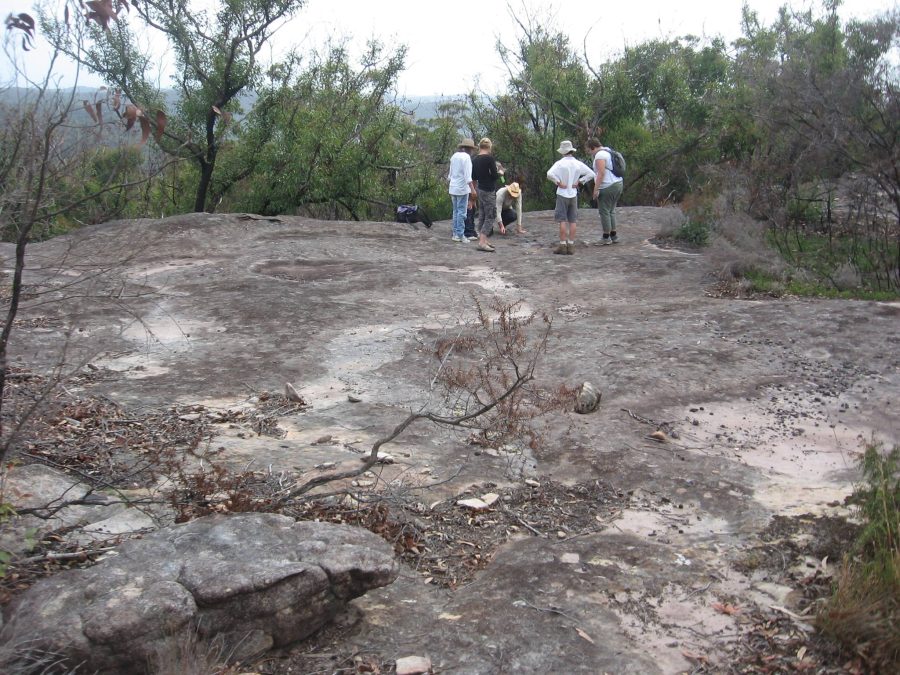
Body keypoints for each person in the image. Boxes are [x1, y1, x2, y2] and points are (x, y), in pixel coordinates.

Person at [546, 140, 595, 255]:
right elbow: (592, 174)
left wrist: (558, 182)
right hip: (573, 193)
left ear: (563, 151)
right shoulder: (577, 163)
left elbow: (549, 174)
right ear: (571, 150)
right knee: (573, 220)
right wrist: (580, 181)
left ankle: (563, 245)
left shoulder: (560, 163)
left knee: (562, 219)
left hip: (562, 193)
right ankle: (571, 245)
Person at [587, 138, 624, 244]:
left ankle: (606, 237)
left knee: (604, 211)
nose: (589, 153)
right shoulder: (608, 150)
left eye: (589, 150)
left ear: (593, 148)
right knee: (611, 210)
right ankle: (614, 235)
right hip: (618, 183)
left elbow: (601, 174)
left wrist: (596, 189)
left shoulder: (599, 156)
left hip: (608, 186)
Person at [470, 137, 501, 253]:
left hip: (480, 188)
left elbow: (473, 177)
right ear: (489, 147)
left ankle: (483, 239)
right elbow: (494, 176)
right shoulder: (489, 159)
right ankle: (482, 242)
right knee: (490, 215)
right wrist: (500, 172)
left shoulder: (475, 159)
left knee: (482, 213)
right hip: (488, 189)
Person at [448, 138, 476, 242]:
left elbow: (450, 175)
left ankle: (455, 233)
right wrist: (472, 190)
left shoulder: (454, 156)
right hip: (462, 188)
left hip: (453, 187)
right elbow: (468, 177)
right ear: (470, 149)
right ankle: (460, 234)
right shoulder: (467, 158)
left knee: (455, 211)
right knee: (462, 212)